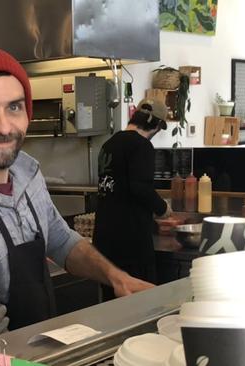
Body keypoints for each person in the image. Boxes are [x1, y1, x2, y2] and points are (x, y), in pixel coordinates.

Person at [0, 48, 154, 345]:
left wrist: (117, 278)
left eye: (14, 107)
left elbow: (60, 239)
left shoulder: (26, 172)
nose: (2, 126)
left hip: (35, 350)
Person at [93, 98, 172, 301]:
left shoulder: (109, 144)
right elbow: (140, 187)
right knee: (140, 304)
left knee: (110, 307)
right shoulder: (141, 146)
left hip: (104, 241)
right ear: (155, 125)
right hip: (131, 243)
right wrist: (163, 208)